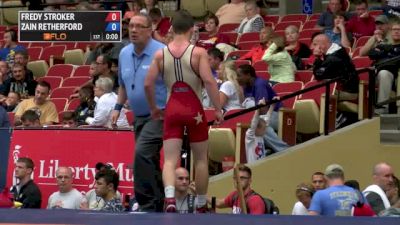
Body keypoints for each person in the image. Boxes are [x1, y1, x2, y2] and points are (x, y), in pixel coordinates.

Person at [144, 10, 223, 213]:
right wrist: (218, 109)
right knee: (201, 159)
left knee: (170, 160)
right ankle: (201, 203)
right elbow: (208, 81)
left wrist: (153, 107)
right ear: (191, 29)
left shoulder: (160, 53)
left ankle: (170, 199)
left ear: (172, 29)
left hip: (172, 109)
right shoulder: (198, 53)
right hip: (194, 109)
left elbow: (147, 84)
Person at [111, 13, 166, 212]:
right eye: (131, 26)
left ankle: (146, 203)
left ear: (150, 30)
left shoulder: (162, 52)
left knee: (141, 154)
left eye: (139, 26)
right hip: (138, 116)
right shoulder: (125, 53)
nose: (133, 30)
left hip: (160, 115)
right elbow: (123, 84)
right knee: (148, 159)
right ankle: (158, 202)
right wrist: (117, 107)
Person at [237, 64, 289, 153]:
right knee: (250, 123)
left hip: (277, 115)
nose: (237, 78)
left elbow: (263, 110)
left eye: (239, 76)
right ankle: (263, 149)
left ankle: (284, 149)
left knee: (258, 123)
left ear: (248, 75)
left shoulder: (259, 84)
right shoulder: (246, 87)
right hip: (264, 115)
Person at [368, 18, 400, 114]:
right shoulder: (384, 44)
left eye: (399, 30)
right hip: (384, 73)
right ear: (390, 31)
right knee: (384, 73)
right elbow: (372, 54)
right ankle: (382, 109)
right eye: (394, 29)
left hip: (397, 74)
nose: (396, 32)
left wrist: (384, 52)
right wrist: (386, 49)